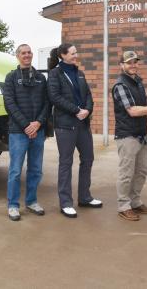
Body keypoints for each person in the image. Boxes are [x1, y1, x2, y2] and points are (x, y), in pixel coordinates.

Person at [47, 43, 102, 218]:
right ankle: (66, 202)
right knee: (66, 162)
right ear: (63, 55)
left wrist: (87, 110)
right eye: (73, 53)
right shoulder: (55, 74)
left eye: (76, 52)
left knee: (88, 158)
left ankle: (85, 197)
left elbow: (88, 96)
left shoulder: (80, 73)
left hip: (83, 124)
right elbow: (55, 97)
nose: (76, 55)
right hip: (65, 125)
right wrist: (76, 110)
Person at [111, 51, 147, 221]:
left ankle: (135, 202)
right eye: (129, 62)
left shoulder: (137, 82)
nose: (133, 65)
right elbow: (133, 111)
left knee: (141, 172)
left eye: (135, 62)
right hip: (127, 135)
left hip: (141, 135)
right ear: (122, 65)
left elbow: (143, 104)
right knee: (126, 174)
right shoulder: (121, 85)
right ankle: (123, 206)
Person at [3, 44, 50, 221]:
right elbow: (10, 104)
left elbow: (47, 103)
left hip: (38, 130)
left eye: (29, 52)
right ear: (18, 56)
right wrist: (26, 126)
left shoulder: (40, 78)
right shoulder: (11, 78)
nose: (27, 55)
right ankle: (13, 205)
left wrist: (38, 123)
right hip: (18, 132)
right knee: (15, 170)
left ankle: (31, 201)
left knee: (36, 169)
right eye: (23, 53)